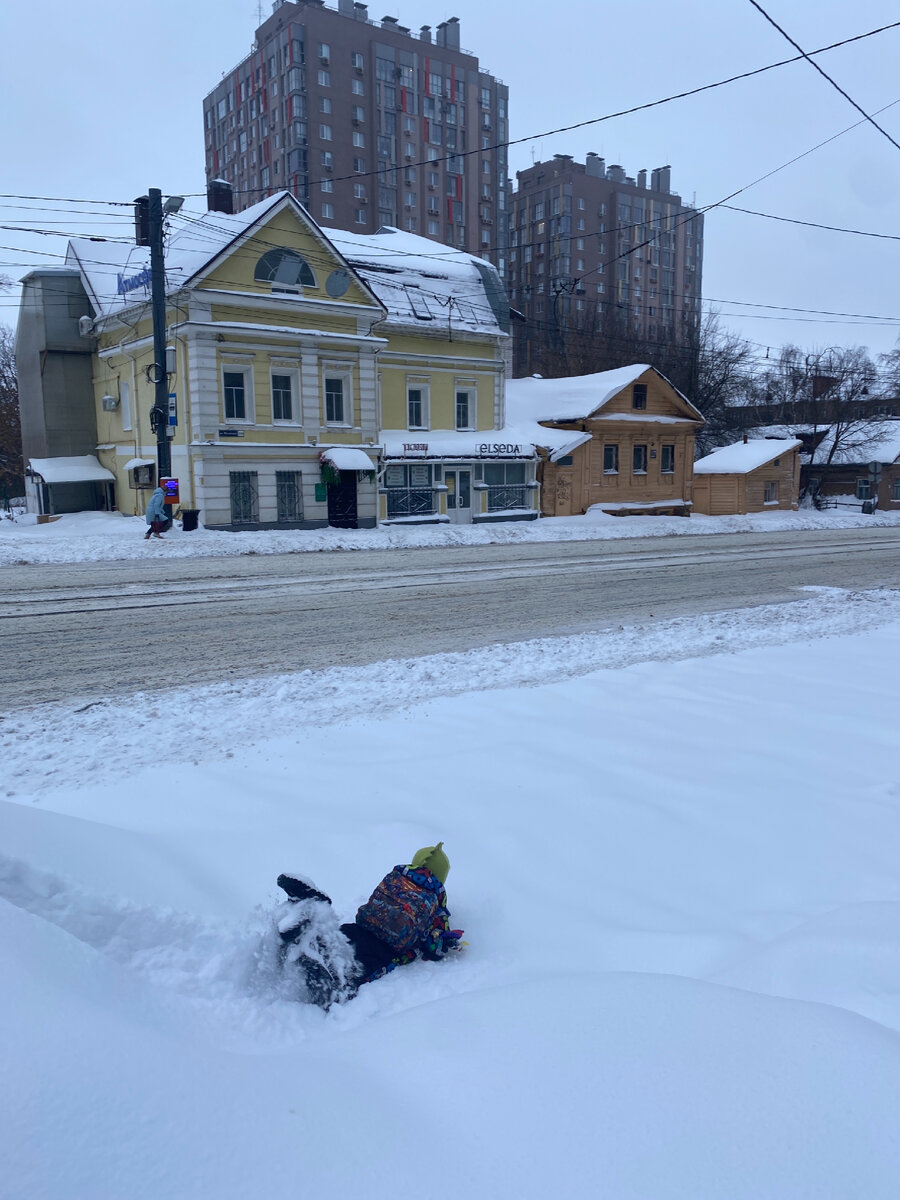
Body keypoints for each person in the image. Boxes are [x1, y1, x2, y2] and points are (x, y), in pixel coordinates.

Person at [276, 842, 463, 1008]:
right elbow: (433, 946)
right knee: (350, 975)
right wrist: (444, 942)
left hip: (360, 928)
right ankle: (324, 977)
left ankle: (309, 914)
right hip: (385, 949)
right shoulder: (436, 900)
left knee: (335, 941)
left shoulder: (398, 876)